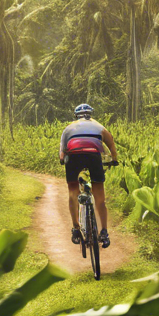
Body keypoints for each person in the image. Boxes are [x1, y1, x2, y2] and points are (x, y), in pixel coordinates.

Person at [59, 103, 118, 248]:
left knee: (73, 191)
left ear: (76, 115)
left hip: (74, 157)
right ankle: (104, 231)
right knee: (100, 197)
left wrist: (62, 159)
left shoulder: (68, 128)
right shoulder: (99, 126)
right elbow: (111, 144)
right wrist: (114, 160)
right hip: (93, 156)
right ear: (90, 114)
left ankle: (75, 229)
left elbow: (62, 151)